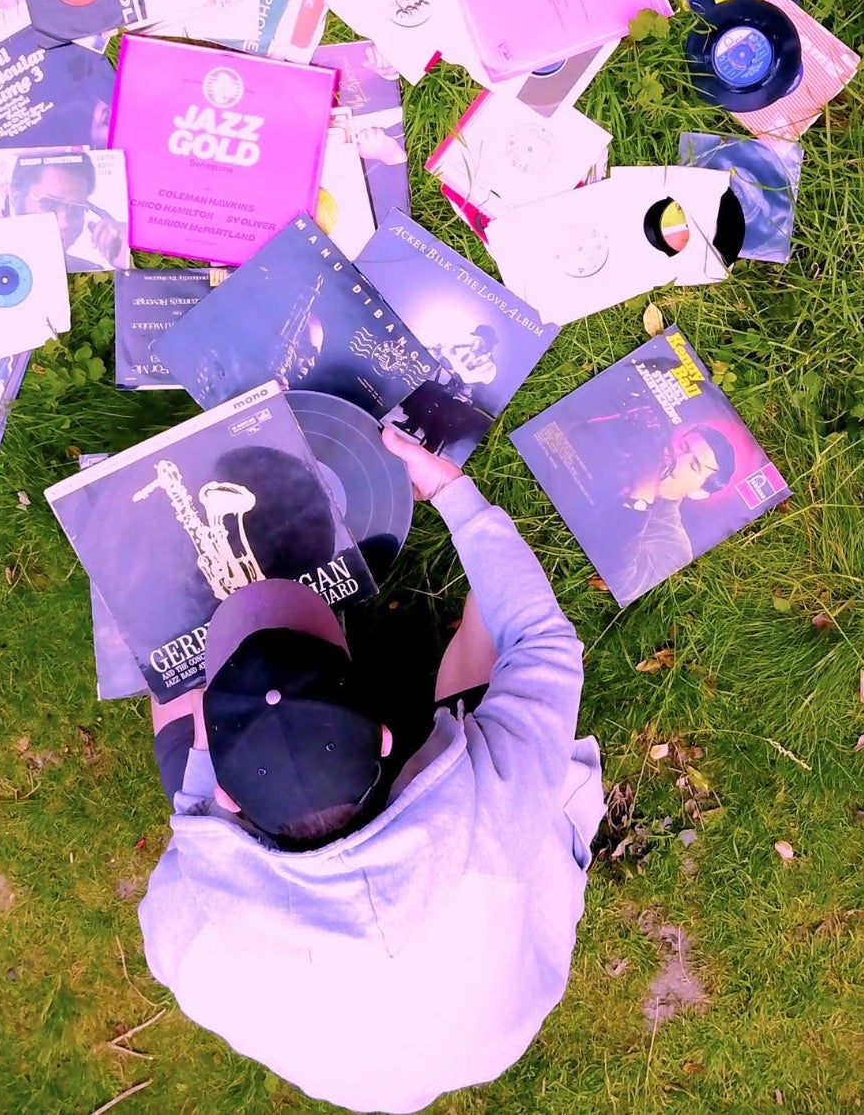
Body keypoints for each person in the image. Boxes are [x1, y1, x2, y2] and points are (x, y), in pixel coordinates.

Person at [138, 427, 605, 1113]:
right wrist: (453, 492)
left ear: (228, 798)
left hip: (374, 1077)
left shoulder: (186, 924)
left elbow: (194, 822)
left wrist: (205, 739)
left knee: (170, 702)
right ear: (387, 736)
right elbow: (539, 640)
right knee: (492, 638)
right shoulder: (491, 812)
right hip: (489, 1019)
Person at [610, 423, 736, 604]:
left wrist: (642, 494)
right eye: (683, 447)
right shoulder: (625, 456)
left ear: (698, 493)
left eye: (694, 465)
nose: (677, 458)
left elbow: (622, 585)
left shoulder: (675, 546)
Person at [9, 152, 129, 269]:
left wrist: (129, 258)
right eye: (50, 204)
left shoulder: (89, 272)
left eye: (77, 209)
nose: (64, 224)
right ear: (17, 199)